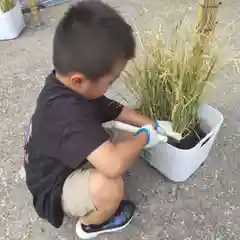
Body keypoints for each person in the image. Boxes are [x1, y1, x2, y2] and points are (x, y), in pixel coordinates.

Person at [24, 1, 177, 239]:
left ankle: (92, 178)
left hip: (54, 156)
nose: (111, 87)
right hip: (52, 185)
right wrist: (144, 138)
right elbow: (114, 164)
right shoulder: (66, 115)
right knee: (110, 185)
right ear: (78, 80)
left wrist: (149, 123)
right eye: (111, 81)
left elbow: (113, 108)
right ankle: (92, 224)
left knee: (123, 137)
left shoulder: (67, 85)